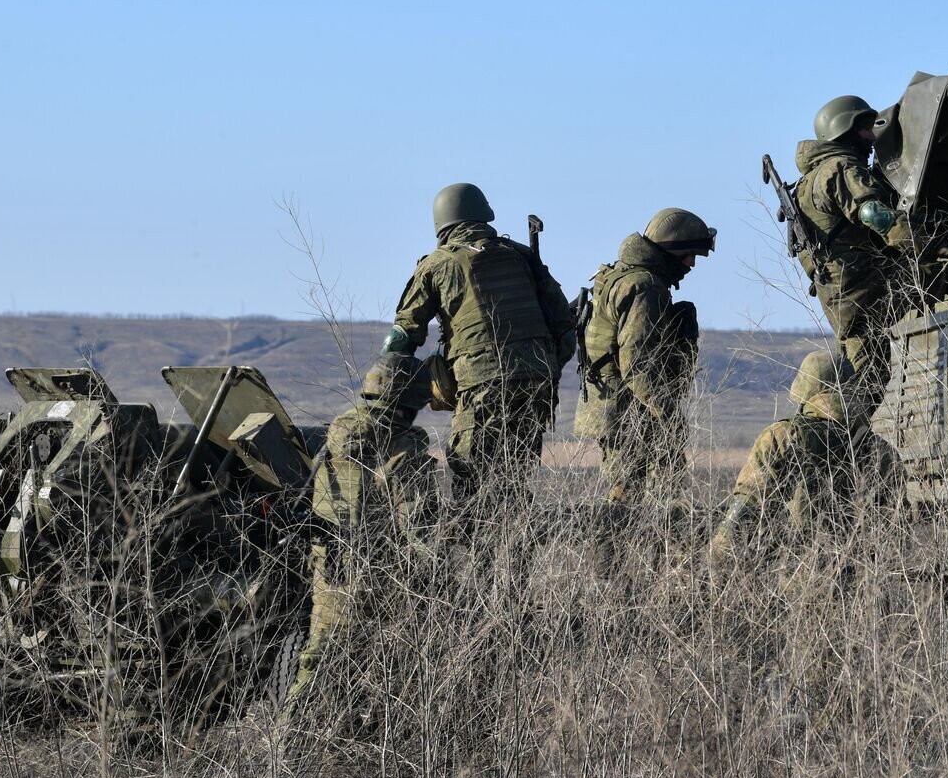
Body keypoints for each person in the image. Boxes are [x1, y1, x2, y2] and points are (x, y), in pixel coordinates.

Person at [384, 183, 575, 507]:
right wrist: (544, 365)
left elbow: (402, 338)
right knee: (514, 475)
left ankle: (477, 553)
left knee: (469, 471)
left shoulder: (437, 264)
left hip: (481, 381)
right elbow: (564, 327)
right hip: (536, 380)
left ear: (442, 224)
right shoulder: (521, 255)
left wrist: (384, 394)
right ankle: (516, 548)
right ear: (483, 214)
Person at [288, 353, 439, 703]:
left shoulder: (334, 439)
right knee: (385, 672)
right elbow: (418, 531)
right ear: (412, 400)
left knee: (319, 659)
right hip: (381, 577)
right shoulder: (401, 450)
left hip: (329, 569)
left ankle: (293, 745)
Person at [573, 208, 714, 506]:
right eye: (688, 254)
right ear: (669, 251)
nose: (691, 263)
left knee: (631, 497)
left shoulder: (621, 276)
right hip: (632, 412)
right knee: (639, 501)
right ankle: (620, 552)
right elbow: (638, 364)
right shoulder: (645, 287)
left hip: (619, 405)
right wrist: (667, 415)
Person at [709, 349, 900, 561]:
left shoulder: (784, 437)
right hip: (862, 583)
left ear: (805, 388)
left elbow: (742, 517)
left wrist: (714, 570)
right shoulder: (882, 451)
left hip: (790, 578)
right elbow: (894, 537)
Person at [794, 95, 911, 410]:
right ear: (844, 131)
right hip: (861, 289)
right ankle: (841, 447)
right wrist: (913, 242)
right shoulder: (840, 167)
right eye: (865, 129)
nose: (872, 138)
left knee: (862, 376)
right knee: (867, 386)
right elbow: (871, 212)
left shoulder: (808, 181)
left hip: (842, 292)